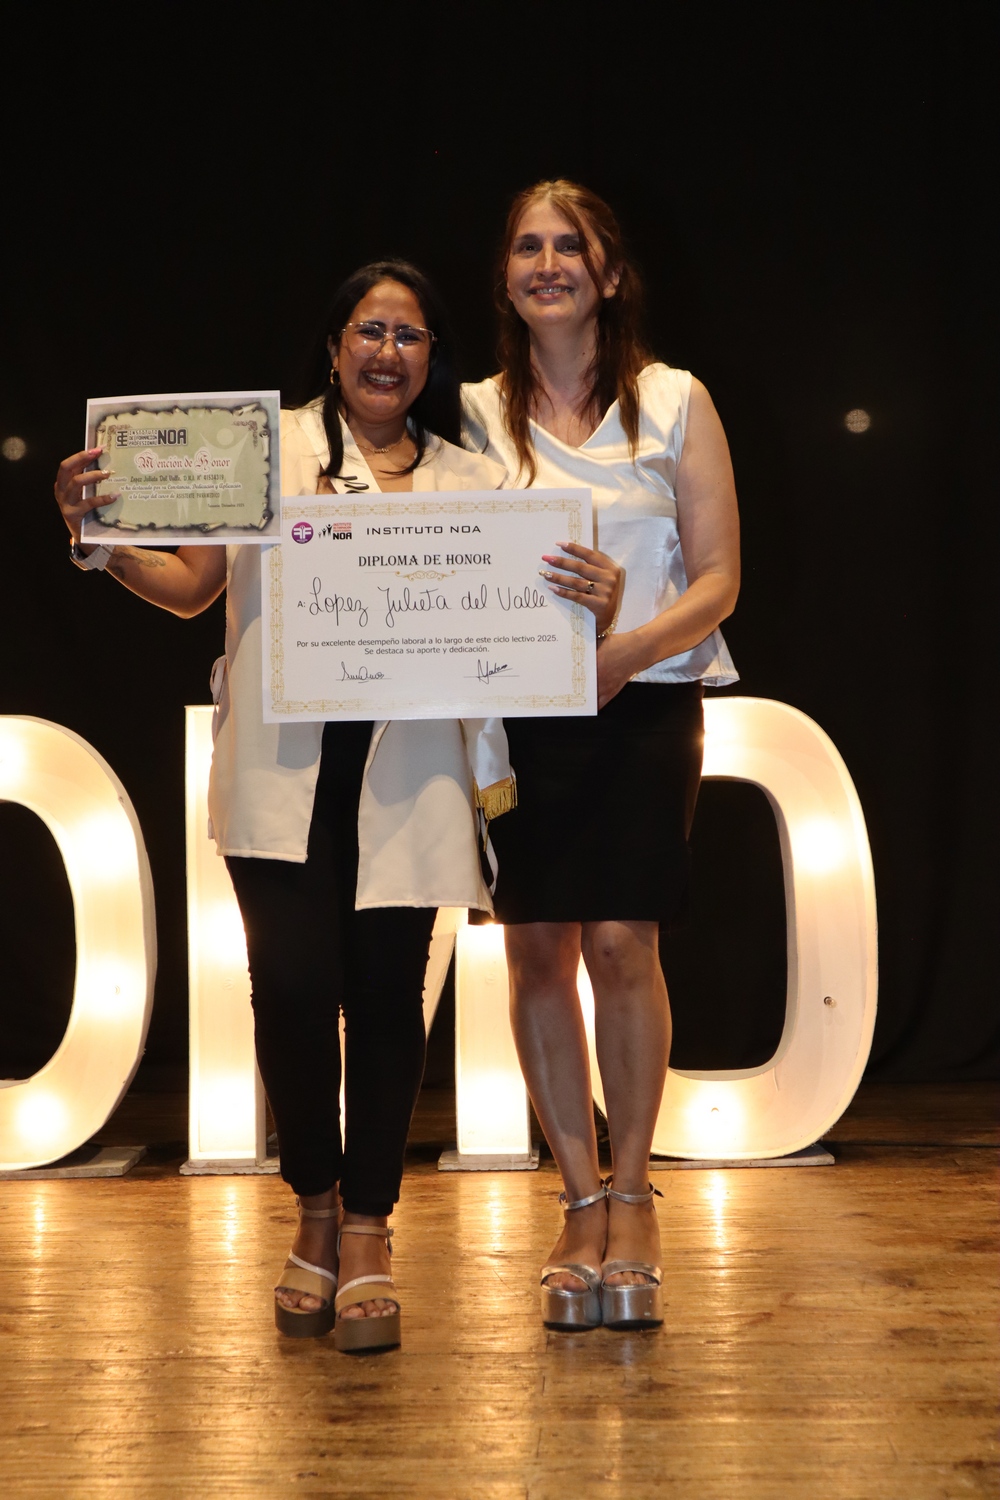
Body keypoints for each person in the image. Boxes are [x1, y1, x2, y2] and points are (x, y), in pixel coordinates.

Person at [54, 260, 508, 1353]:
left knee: (389, 1002)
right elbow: (191, 587)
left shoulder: (473, 482)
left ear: (433, 358)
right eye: (369, 331)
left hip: (411, 777)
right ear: (335, 345)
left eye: (409, 335)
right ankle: (313, 1205)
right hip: (280, 771)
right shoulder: (262, 450)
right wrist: (101, 538)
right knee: (295, 992)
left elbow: (501, 624)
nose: (387, 352)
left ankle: (368, 1229)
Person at [463, 181, 740, 1332]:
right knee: (536, 948)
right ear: (506, 277)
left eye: (567, 247)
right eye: (526, 246)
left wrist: (624, 649)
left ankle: (634, 1194)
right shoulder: (470, 414)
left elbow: (719, 581)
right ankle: (577, 1201)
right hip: (515, 721)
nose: (546, 264)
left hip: (643, 704)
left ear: (608, 273)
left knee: (624, 943)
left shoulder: (674, 400)